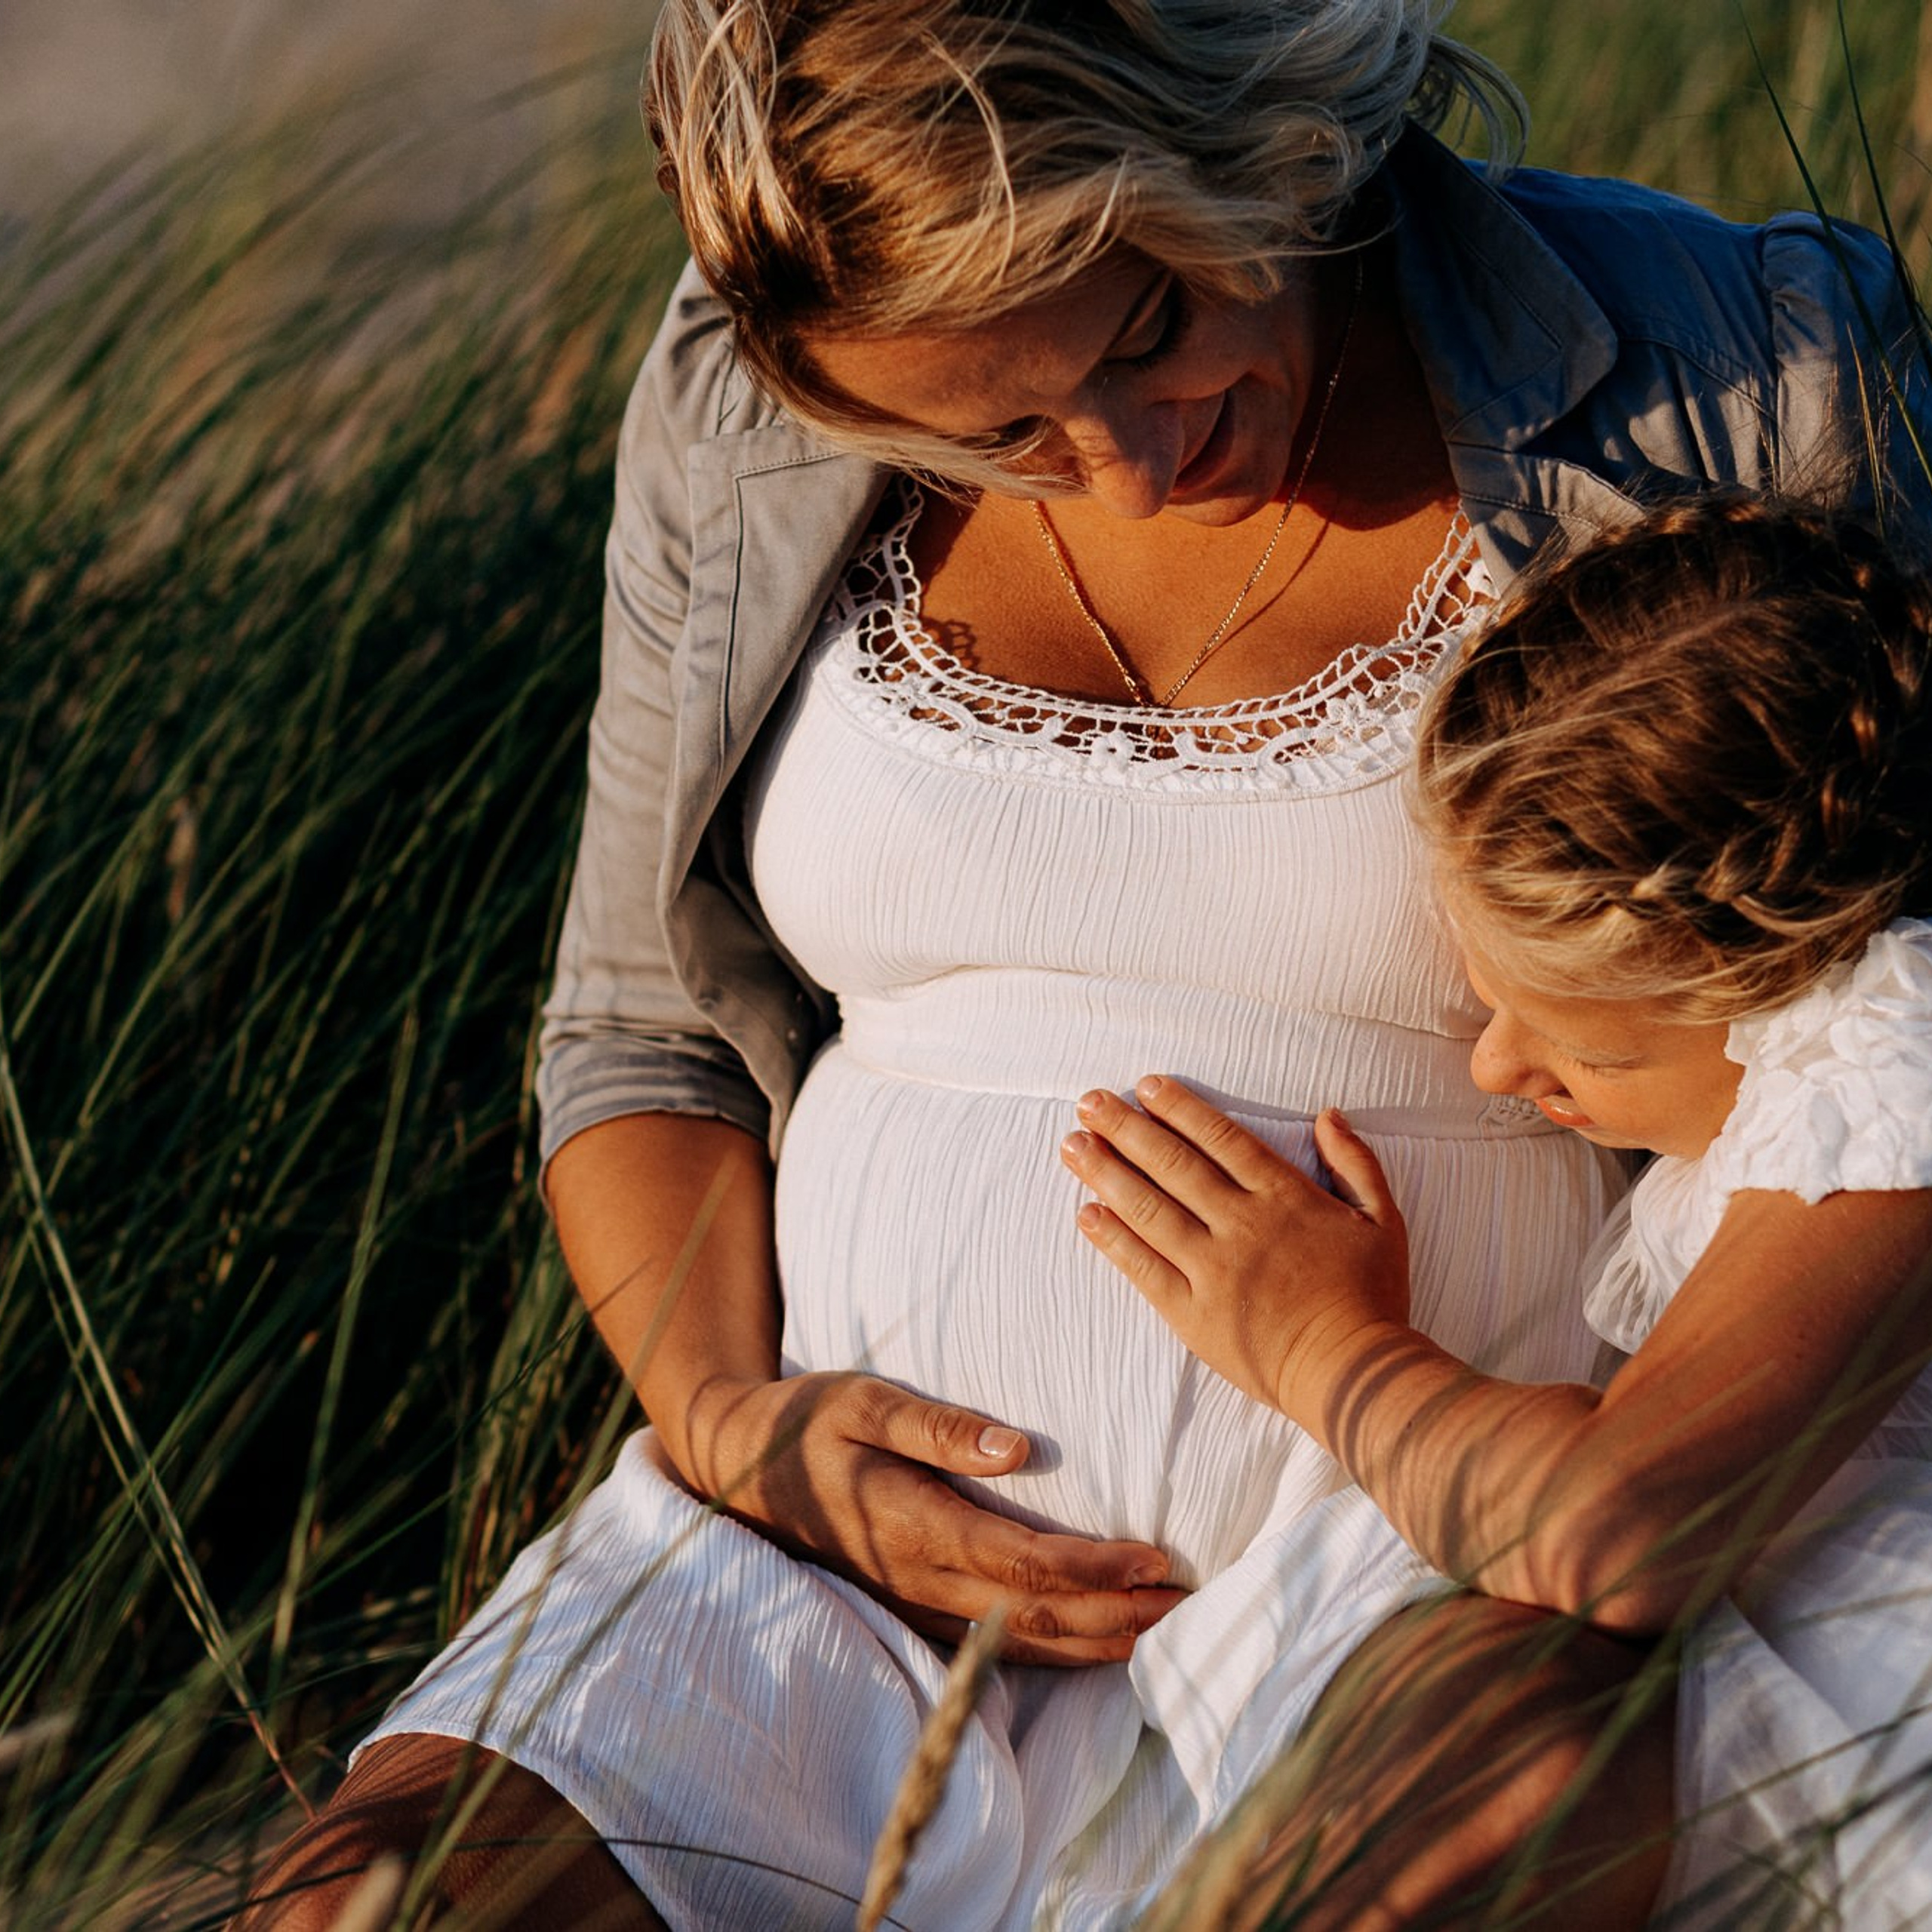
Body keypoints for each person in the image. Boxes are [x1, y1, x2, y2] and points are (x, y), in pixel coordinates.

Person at [234, 2, 1931, 1926]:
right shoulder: (741, 402)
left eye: (1143, 331)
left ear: (1247, 132)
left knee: (1491, 1822)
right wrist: (734, 1429)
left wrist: (1448, 1401)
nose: (1121, 467)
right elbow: (638, 1038)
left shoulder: (1737, 364)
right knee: (375, 1897)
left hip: (1424, 1560)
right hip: (823, 1584)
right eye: (996, 433)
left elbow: (1875, 1026)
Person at [1063, 492, 1932, 1924]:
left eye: (1586, 1047)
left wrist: (1323, 1351)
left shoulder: (1893, 1042)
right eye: (1488, 996)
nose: (1496, 1065)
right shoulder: (1800, 1072)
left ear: (1791, 969)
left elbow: (1618, 1527)